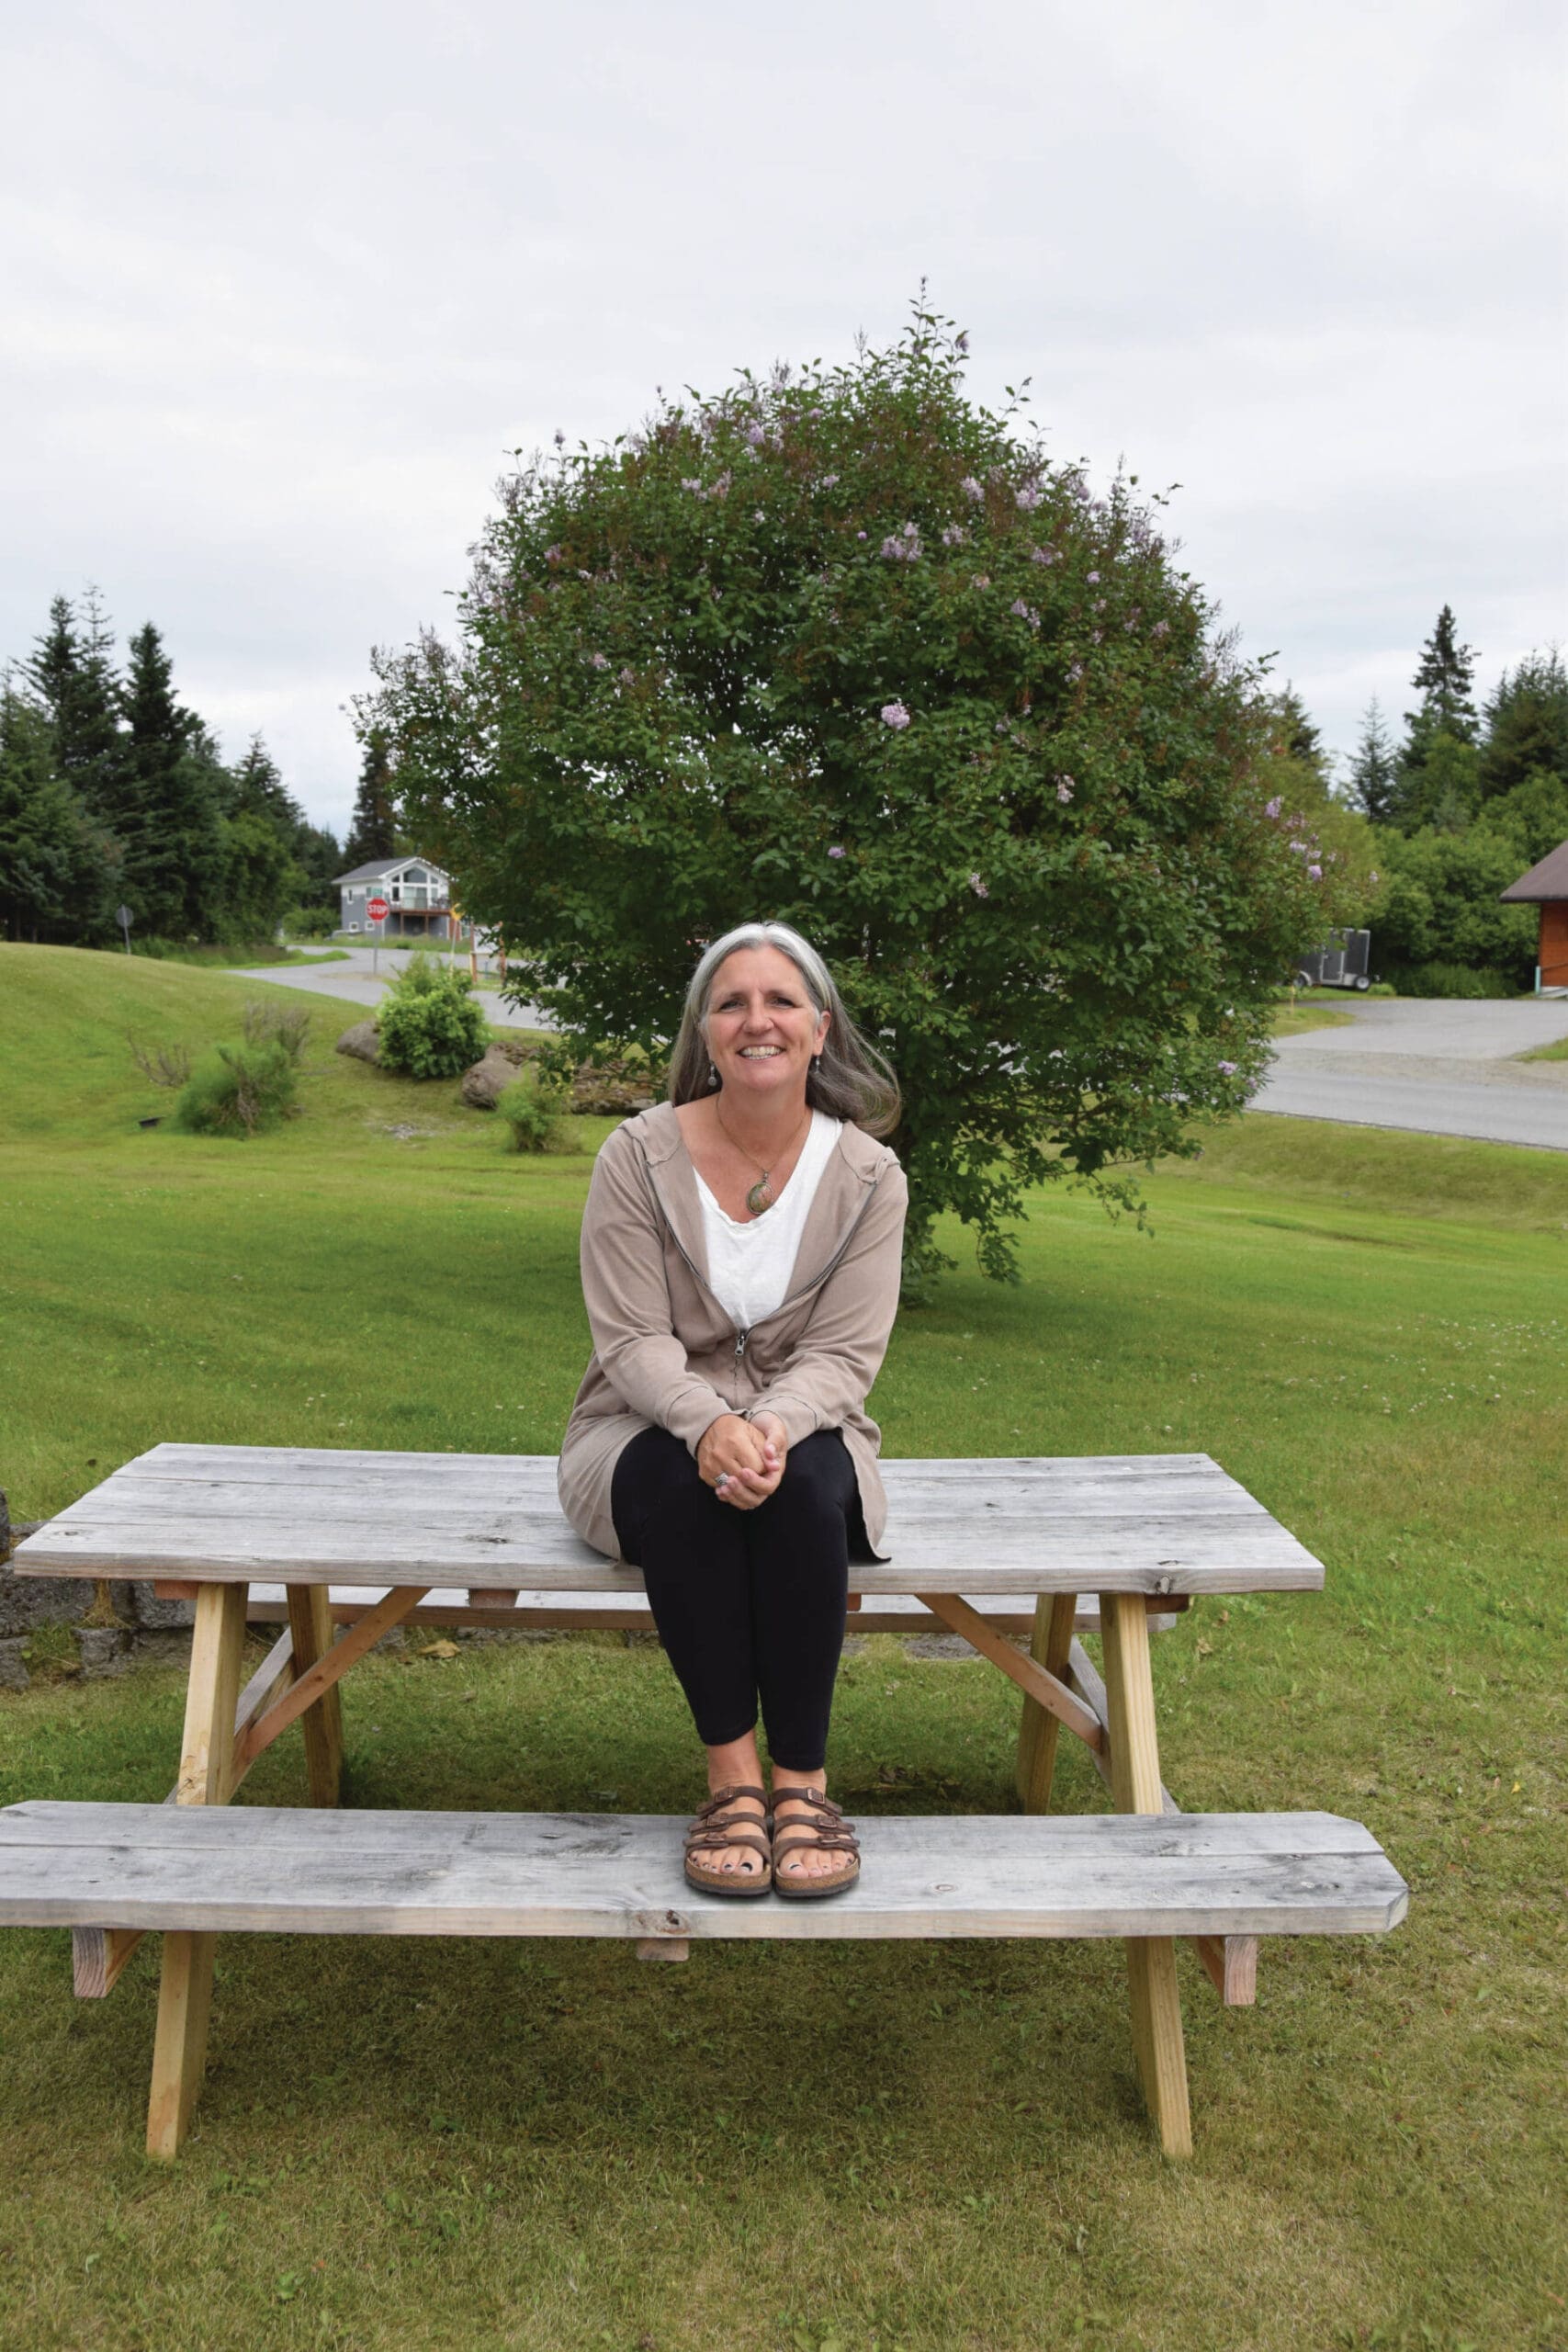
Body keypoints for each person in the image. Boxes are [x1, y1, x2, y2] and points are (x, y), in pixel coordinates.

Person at [558, 921, 907, 1898]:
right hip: (638, 1422)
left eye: (781, 1000)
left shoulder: (870, 1177)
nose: (759, 1020)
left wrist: (772, 1428)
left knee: (805, 1490)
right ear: (704, 1032)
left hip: (807, 1424)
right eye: (732, 1002)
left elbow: (844, 1354)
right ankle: (732, 1780)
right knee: (682, 1484)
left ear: (821, 1028)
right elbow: (629, 1340)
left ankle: (803, 1782)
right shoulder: (637, 1155)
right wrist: (707, 1424)